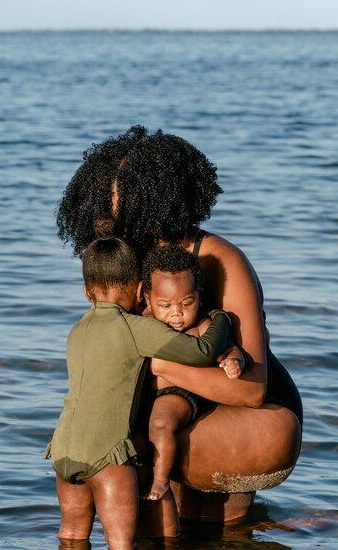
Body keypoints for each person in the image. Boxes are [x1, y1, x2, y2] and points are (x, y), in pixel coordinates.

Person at [56, 125, 303, 528]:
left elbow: (252, 389)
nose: (113, 212)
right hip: (183, 404)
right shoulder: (131, 260)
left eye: (124, 202)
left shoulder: (222, 259)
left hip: (260, 412)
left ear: (155, 199)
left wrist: (162, 368)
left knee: (125, 443)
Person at [46, 224, 233, 549]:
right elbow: (201, 352)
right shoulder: (135, 327)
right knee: (122, 545)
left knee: (71, 539)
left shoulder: (77, 329)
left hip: (63, 451)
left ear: (86, 291)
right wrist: (223, 319)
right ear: (139, 292)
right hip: (106, 457)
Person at [139, 245, 242, 507]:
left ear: (199, 295)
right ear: (147, 300)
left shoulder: (203, 326)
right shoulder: (143, 322)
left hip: (180, 393)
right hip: (150, 390)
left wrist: (233, 361)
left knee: (160, 422)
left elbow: (228, 348)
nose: (177, 313)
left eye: (187, 303)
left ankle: (160, 480)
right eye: (165, 305)